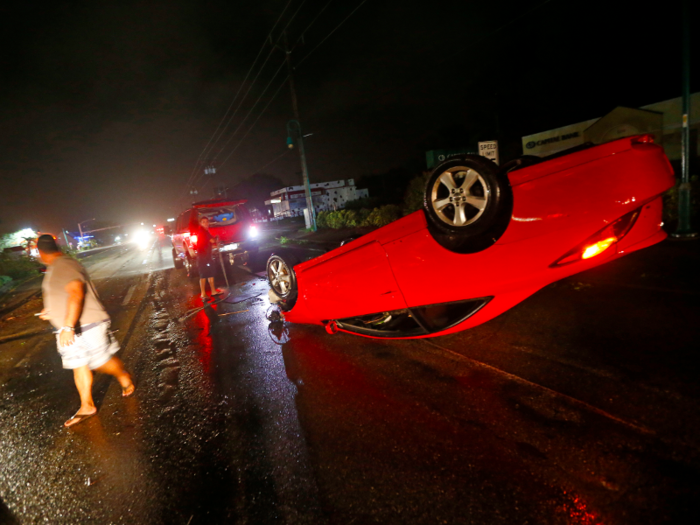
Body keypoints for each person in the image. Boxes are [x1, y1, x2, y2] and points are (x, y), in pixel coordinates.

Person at [36, 234, 134, 428]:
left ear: (40, 252)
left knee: (99, 362)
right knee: (78, 364)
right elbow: (64, 295)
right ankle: (87, 406)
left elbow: (76, 291)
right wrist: (52, 311)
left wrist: (68, 326)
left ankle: (122, 375)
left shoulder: (64, 264)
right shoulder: (56, 267)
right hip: (67, 328)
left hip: (87, 324)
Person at [197, 216, 223, 300]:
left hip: (207, 256)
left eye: (206, 221)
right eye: (203, 222)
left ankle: (213, 291)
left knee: (211, 272)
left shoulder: (205, 231)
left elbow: (210, 241)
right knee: (204, 275)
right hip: (203, 257)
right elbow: (212, 240)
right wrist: (216, 238)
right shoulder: (202, 232)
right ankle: (203, 294)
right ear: (200, 223)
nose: (205, 223)